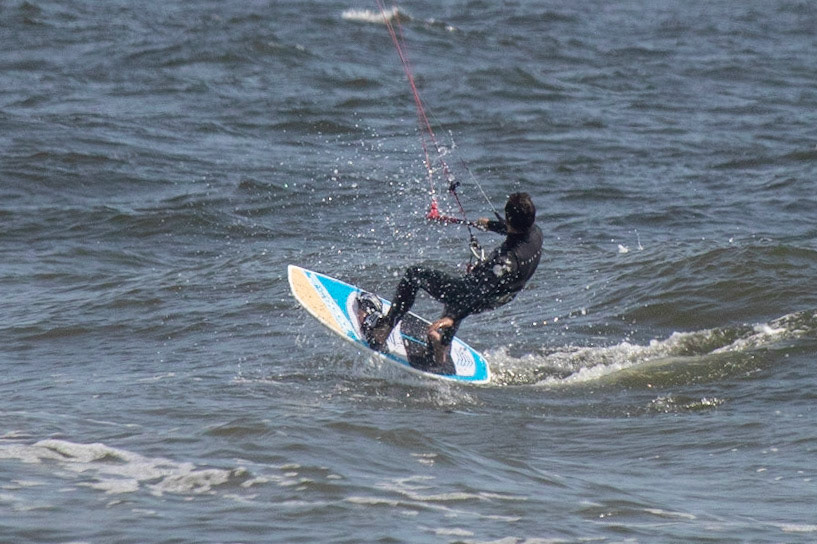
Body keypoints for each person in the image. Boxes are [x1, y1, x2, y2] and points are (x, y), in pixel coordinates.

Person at [361, 192, 543, 369]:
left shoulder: (506, 260)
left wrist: (452, 317)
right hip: (503, 295)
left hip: (481, 293)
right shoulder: (535, 233)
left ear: (510, 220)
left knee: (414, 275)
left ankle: (382, 330)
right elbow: (514, 231)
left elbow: (477, 293)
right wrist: (490, 225)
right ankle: (440, 348)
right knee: (464, 289)